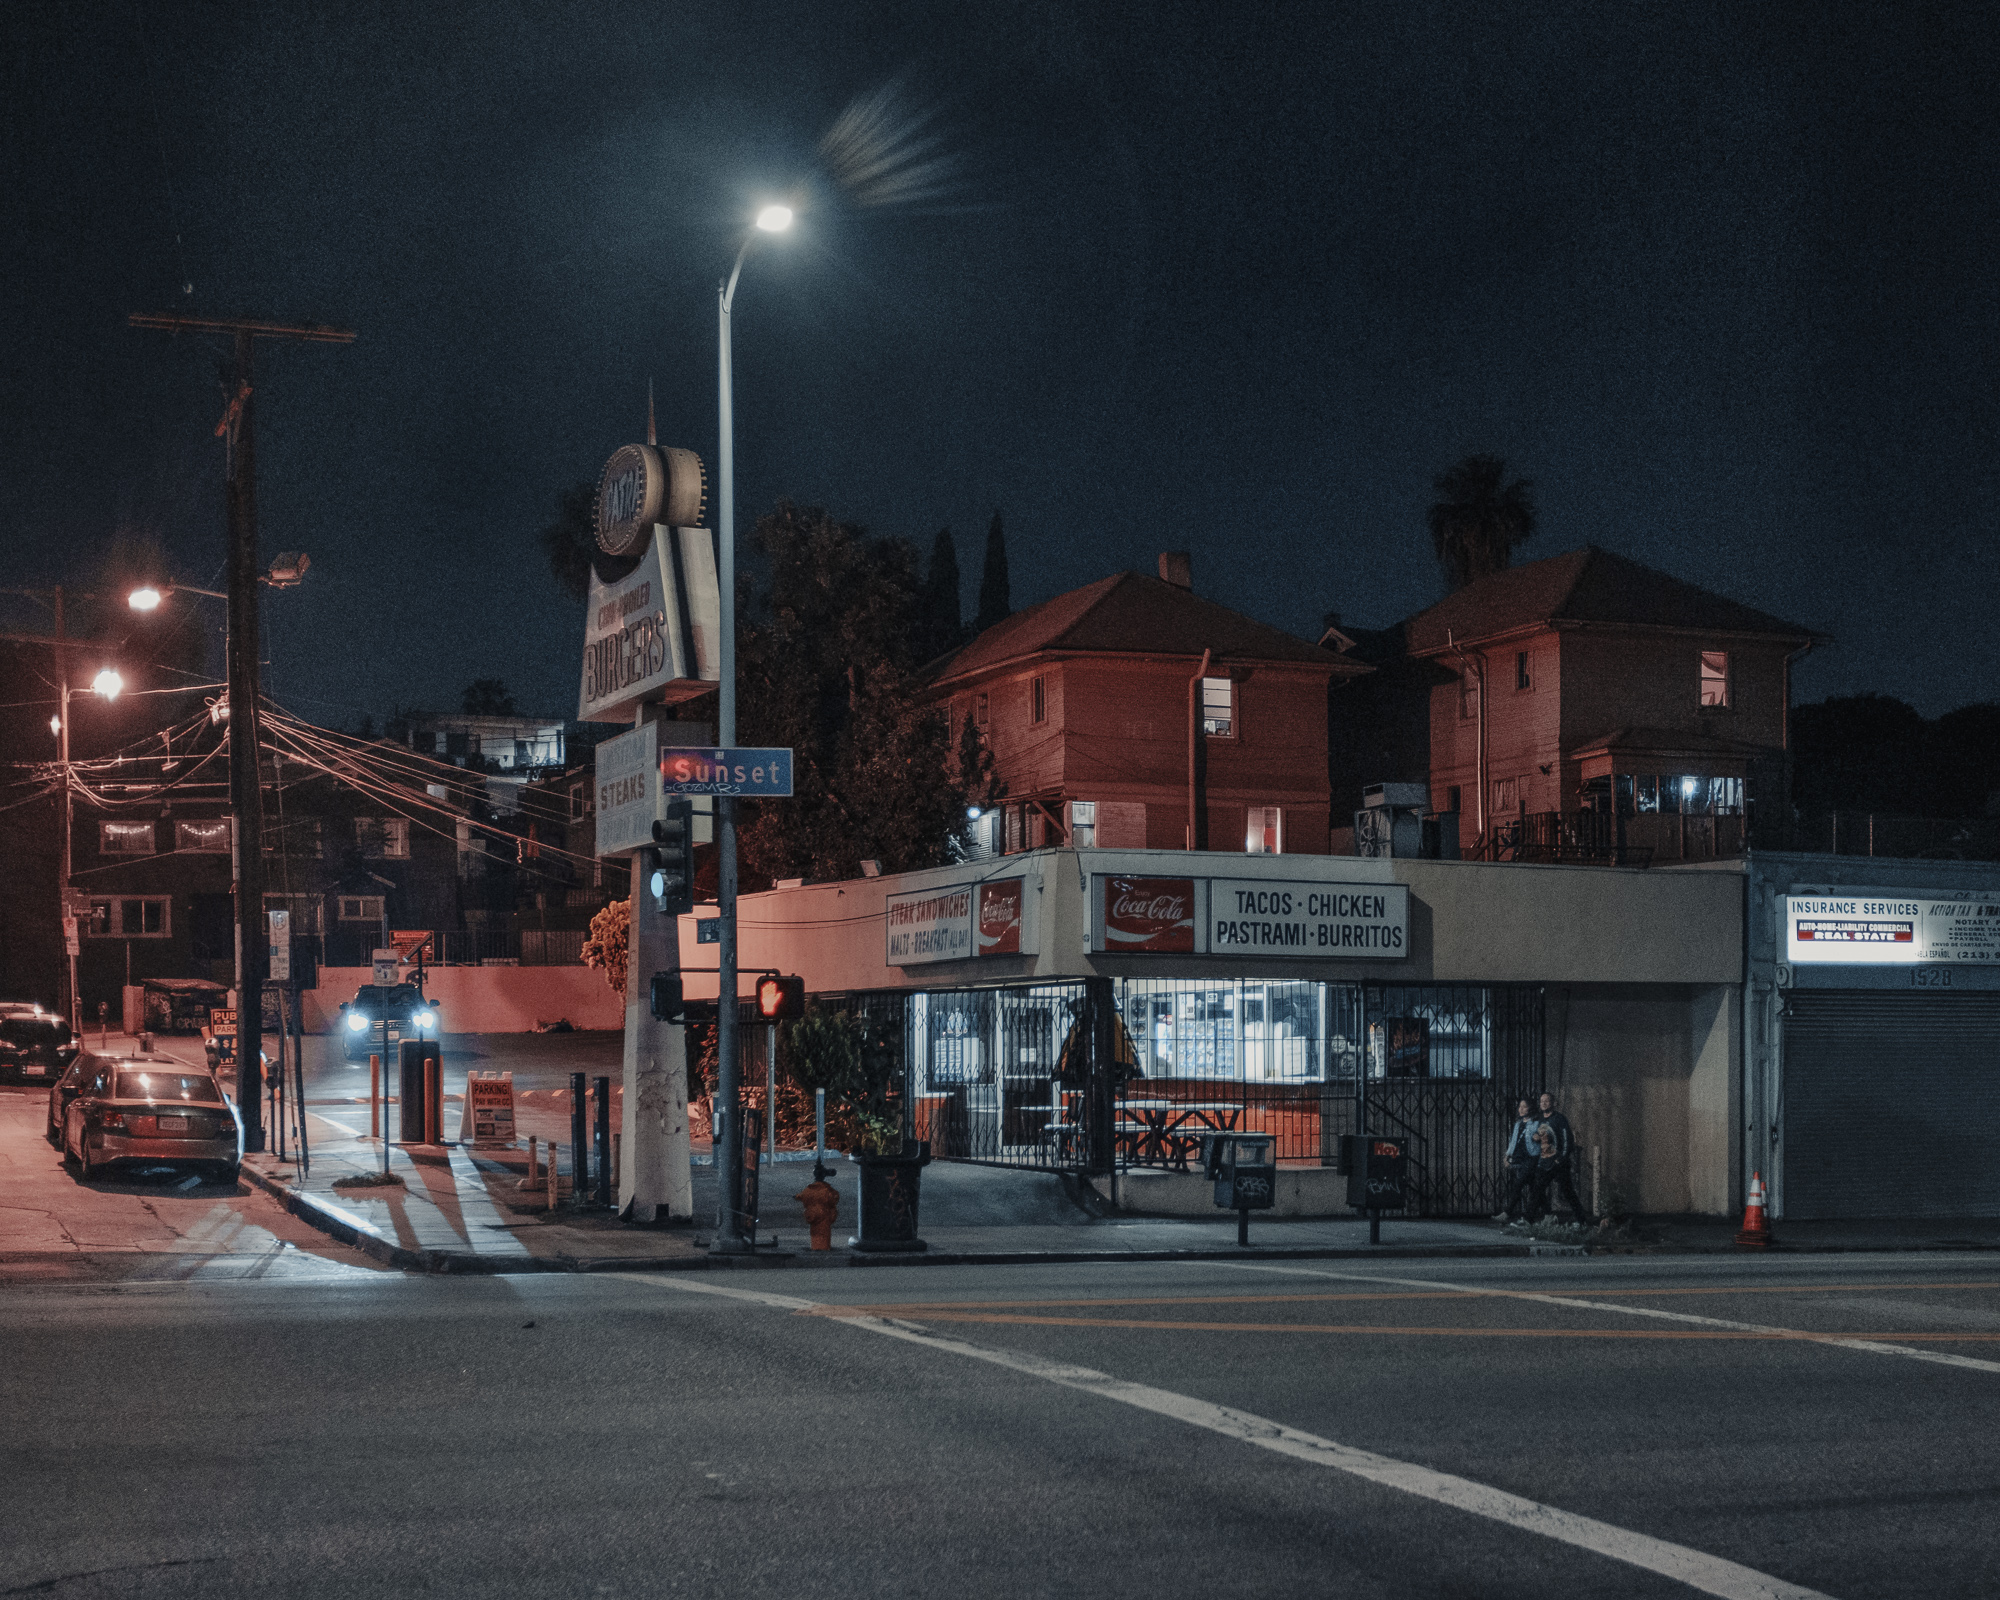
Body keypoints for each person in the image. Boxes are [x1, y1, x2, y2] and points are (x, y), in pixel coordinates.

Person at [1531, 1090, 1594, 1225]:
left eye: (1546, 1101)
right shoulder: (1541, 1119)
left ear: (1553, 1103)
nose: (1543, 1103)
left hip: (1557, 1162)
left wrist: (1561, 1159)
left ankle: (1581, 1220)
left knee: (1568, 1192)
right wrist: (1535, 1137)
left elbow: (1567, 1140)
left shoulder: (1559, 1119)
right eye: (1541, 1101)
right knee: (1537, 1188)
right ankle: (1538, 1217)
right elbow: (1540, 1134)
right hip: (1544, 1161)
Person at [1493, 1098, 1541, 1222]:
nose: (1521, 1109)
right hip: (1520, 1159)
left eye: (1524, 1106)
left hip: (1532, 1158)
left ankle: (1507, 1213)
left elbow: (1546, 1136)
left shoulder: (1537, 1123)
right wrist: (1507, 1155)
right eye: (1520, 1106)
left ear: (1530, 1108)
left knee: (1518, 1184)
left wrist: (1539, 1137)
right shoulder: (1518, 1124)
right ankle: (1547, 1215)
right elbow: (1513, 1142)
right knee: (1534, 1187)